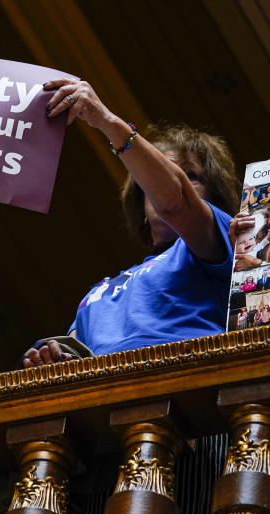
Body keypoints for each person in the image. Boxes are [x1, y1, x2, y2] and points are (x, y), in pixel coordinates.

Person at [23, 78, 240, 367]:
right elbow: (72, 356)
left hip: (190, 385)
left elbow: (175, 202)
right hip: (109, 396)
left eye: (190, 175)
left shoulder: (220, 238)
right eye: (151, 176)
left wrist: (107, 121)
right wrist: (51, 360)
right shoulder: (98, 292)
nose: (163, 181)